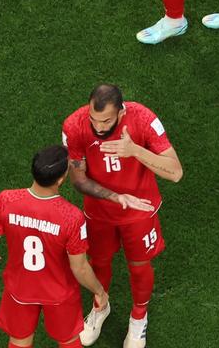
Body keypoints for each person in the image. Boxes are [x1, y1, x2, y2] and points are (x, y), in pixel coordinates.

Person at [61, 84, 183, 348]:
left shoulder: (143, 119)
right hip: (99, 210)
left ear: (122, 112)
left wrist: (135, 151)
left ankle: (139, 318)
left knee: (139, 265)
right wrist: (114, 197)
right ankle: (100, 305)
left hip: (139, 209)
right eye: (94, 118)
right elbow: (78, 180)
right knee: (99, 261)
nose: (99, 127)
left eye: (106, 121)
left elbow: (175, 173)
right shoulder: (74, 125)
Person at [0, 145, 109, 348]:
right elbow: (80, 268)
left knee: (20, 341)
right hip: (59, 294)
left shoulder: (6, 200)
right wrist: (99, 291)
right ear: (60, 179)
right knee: (68, 341)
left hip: (20, 289)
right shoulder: (72, 217)